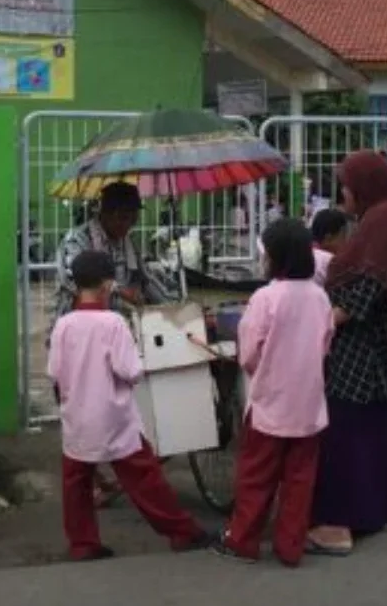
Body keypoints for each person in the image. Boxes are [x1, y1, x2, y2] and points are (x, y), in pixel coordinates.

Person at [48, 250, 208, 561]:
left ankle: (83, 543)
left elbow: (55, 372)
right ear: (108, 285)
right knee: (145, 479)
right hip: (114, 417)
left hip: (77, 418)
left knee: (76, 482)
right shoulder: (114, 324)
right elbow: (131, 371)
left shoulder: (64, 325)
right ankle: (182, 531)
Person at [308, 150, 387, 556]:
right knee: (372, 431)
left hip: (365, 348)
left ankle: (337, 526)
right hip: (379, 345)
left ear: (365, 186)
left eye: (347, 184)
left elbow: (369, 283)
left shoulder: (381, 221)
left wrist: (325, 320)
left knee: (346, 432)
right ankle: (369, 513)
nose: (343, 193)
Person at [210, 219, 334, 567]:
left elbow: (249, 351)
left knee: (256, 477)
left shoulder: (265, 298)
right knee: (299, 481)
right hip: (309, 406)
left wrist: (261, 372)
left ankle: (243, 540)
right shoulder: (320, 297)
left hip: (269, 403)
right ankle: (290, 546)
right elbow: (325, 344)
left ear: (275, 258)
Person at [53, 182, 173, 507]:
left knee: (107, 413)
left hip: (112, 339)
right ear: (104, 213)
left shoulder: (128, 244)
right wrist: (120, 291)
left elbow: (146, 282)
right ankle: (92, 480)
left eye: (133, 218)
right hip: (78, 342)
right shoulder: (76, 241)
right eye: (123, 217)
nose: (128, 225)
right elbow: (71, 279)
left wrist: (174, 308)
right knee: (81, 416)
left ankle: (97, 476)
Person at [310, 208, 349, 288]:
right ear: (328, 238)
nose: (346, 242)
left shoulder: (301, 253)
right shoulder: (329, 261)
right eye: (343, 236)